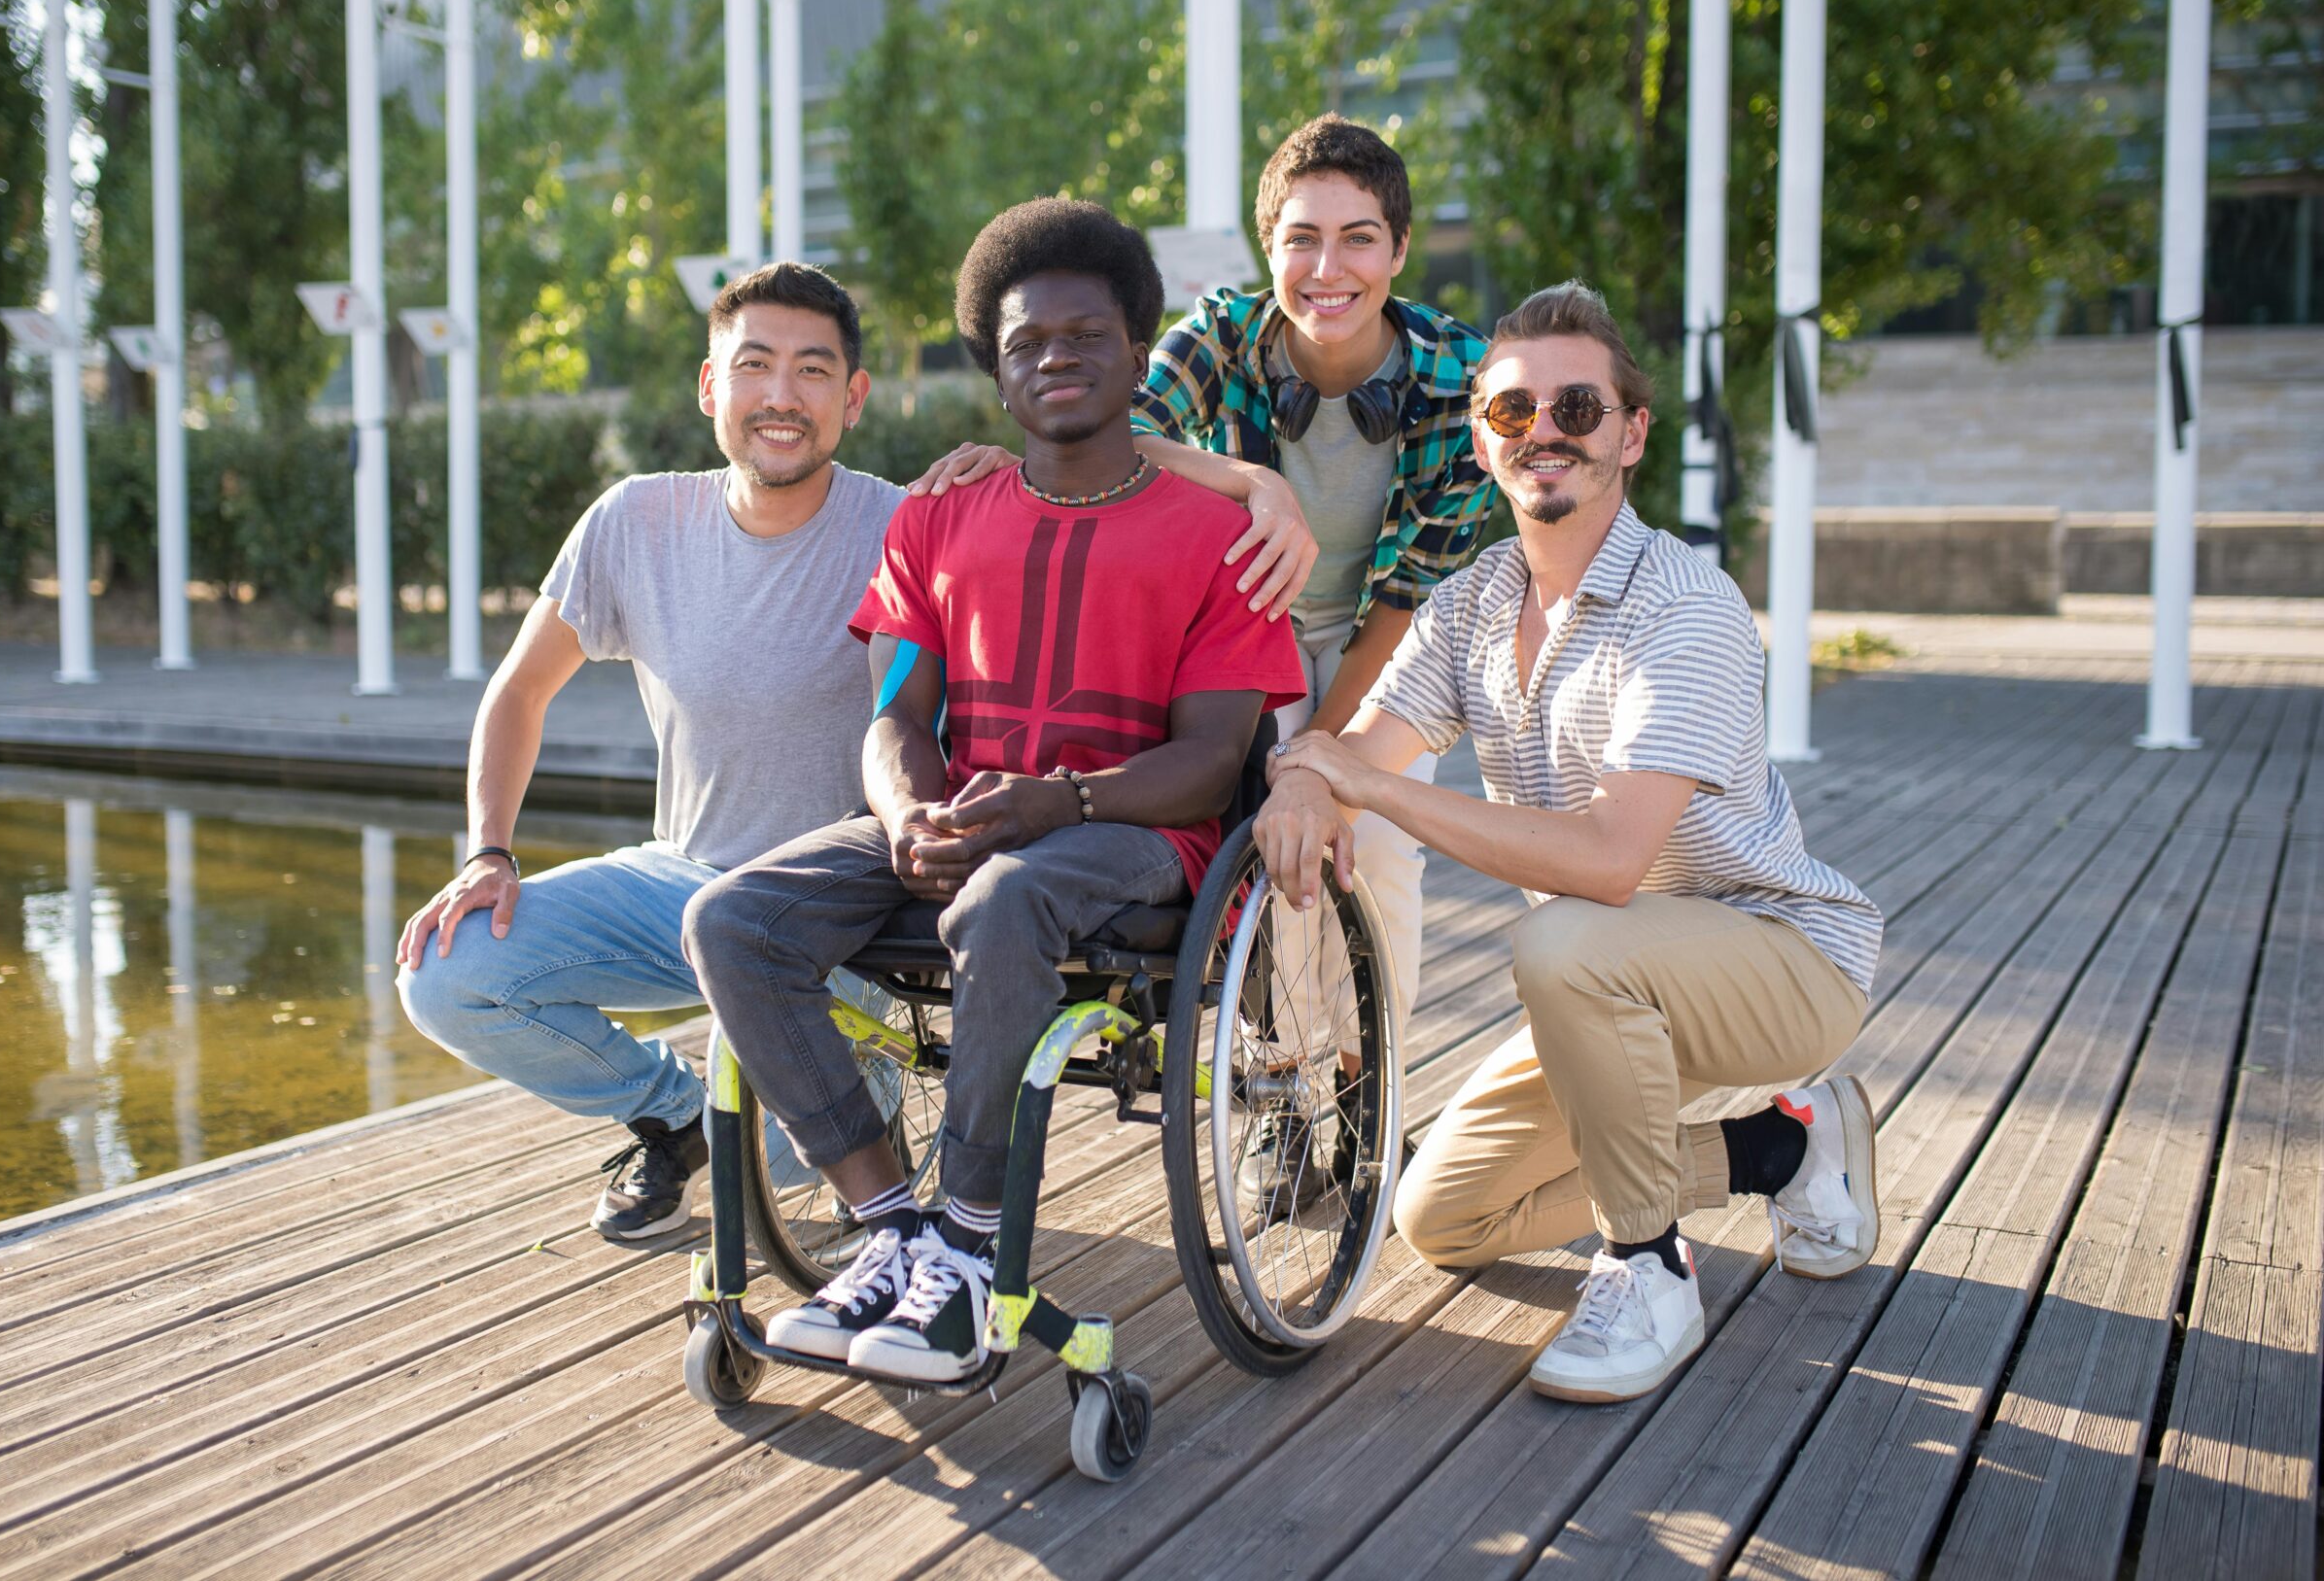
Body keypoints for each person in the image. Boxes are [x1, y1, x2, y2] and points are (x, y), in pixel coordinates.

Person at [683, 199, 1307, 1383]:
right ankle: (891, 1225)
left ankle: (967, 1251)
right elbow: (898, 717)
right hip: (967, 816)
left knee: (1007, 895)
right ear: (995, 368)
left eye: (1085, 337)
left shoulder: (1219, 536)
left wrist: (1056, 804)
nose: (1056, 358)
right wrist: (908, 808)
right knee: (729, 919)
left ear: (1137, 352)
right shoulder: (934, 520)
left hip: (1135, 835)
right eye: (1027, 343)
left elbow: (1212, 765)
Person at [1252, 281, 1886, 1404]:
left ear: (1630, 432)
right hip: (1610, 980)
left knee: (1565, 943)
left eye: (1577, 408)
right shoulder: (1468, 606)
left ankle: (1646, 1267)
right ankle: (1782, 1149)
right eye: (1510, 412)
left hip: (1781, 957)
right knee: (1442, 1216)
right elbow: (1363, 747)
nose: (1543, 431)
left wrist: (1365, 787)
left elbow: (1605, 862)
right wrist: (1310, 782)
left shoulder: (1683, 604)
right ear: (1485, 441)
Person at [918, 115, 1492, 1206]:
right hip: (1236, 630)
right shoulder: (1220, 334)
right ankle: (1277, 1094)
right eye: (1301, 238)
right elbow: (1108, 430)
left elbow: (1408, 597)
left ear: (1400, 251)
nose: (1328, 269)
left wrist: (1325, 757)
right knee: (1258, 855)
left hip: (1385, 635)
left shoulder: (1457, 379)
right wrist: (1251, 483)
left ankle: (1368, 1100)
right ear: (1264, 244)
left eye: (1359, 239)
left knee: (1373, 852)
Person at [395, 262, 895, 1242]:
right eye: (753, 366)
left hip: (845, 911)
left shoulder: (903, 524)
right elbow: (519, 690)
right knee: (444, 972)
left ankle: (822, 1118)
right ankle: (669, 1113)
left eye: (811, 370)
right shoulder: (637, 520)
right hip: (684, 882)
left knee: (793, 1155)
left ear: (854, 396)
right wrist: (486, 852)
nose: (781, 397)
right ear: (710, 387)